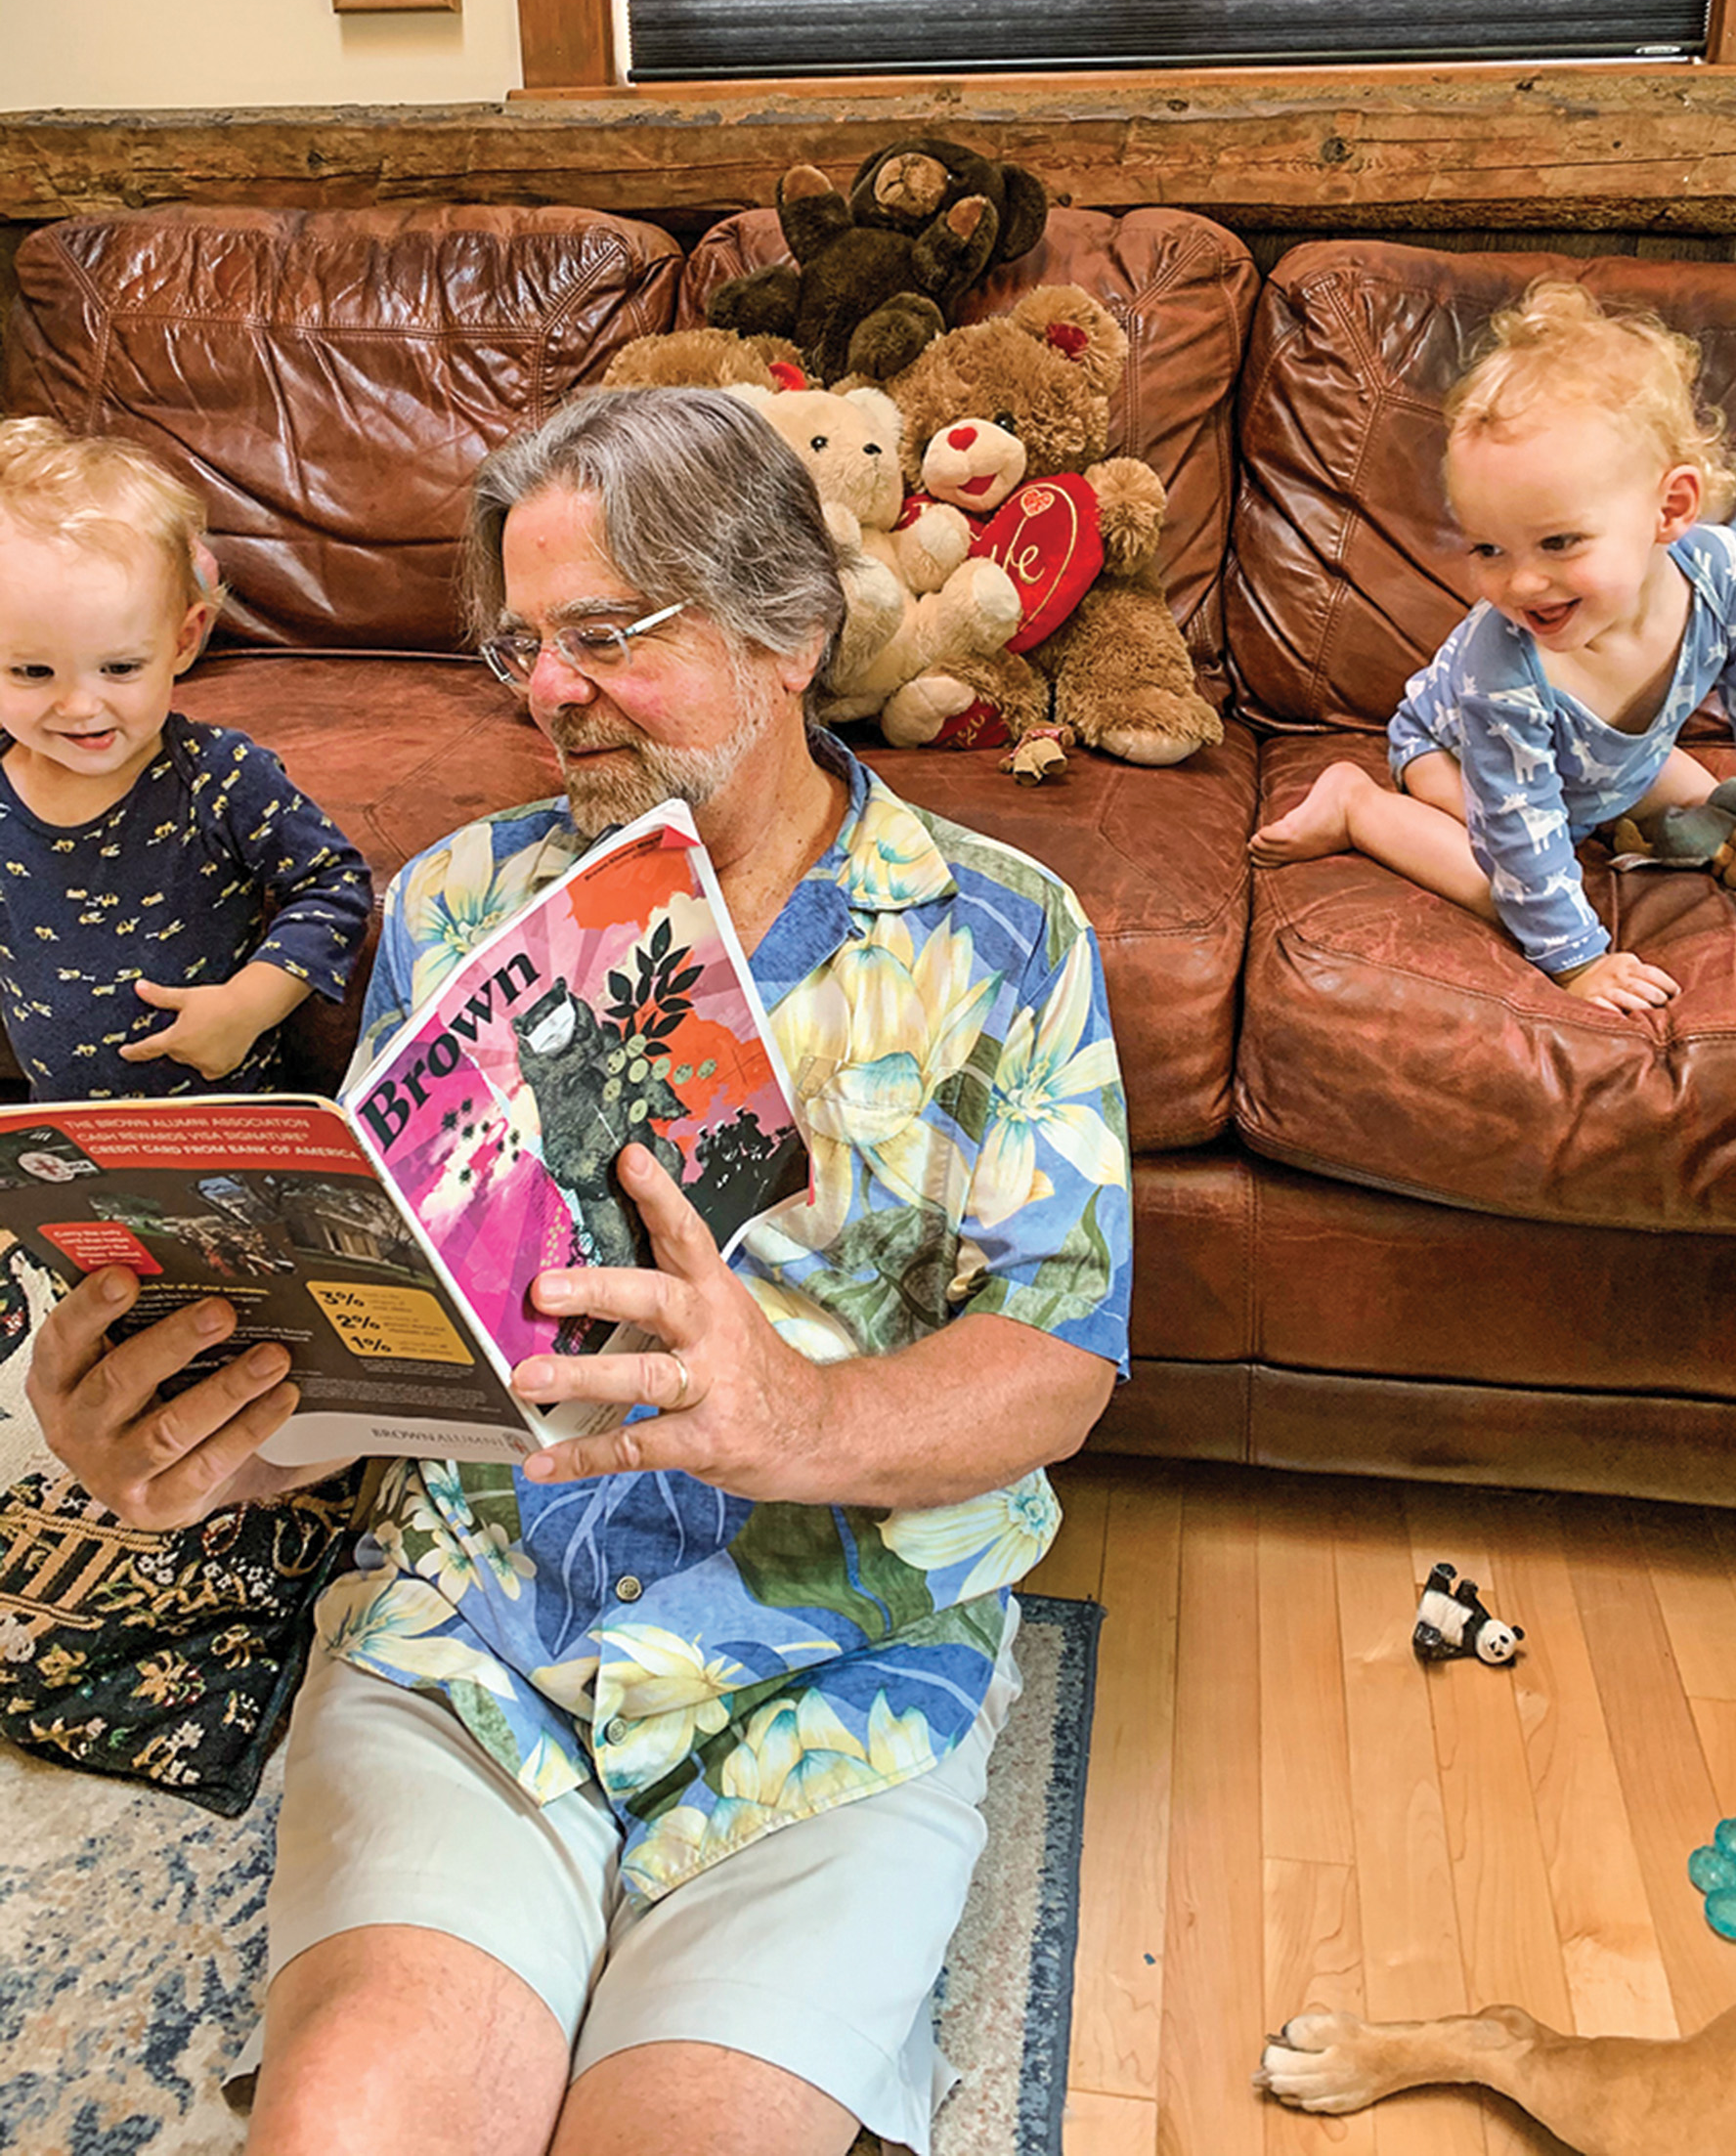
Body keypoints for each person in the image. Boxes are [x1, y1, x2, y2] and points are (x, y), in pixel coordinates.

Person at [27, 384, 1131, 2156]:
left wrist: (802, 1412)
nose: (548, 691)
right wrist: (202, 1438)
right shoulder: (461, 900)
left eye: (607, 633)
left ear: (788, 630)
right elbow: (398, 1343)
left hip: (835, 1670)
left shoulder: (1007, 932)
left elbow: (1059, 1361)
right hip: (480, 1636)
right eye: (523, 644)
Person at [1249, 280, 1736, 1016]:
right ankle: (1358, 805)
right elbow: (1522, 823)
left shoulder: (1721, 573)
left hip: (1610, 764)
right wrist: (1579, 962)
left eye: (1560, 541)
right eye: (1489, 547)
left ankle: (1641, 815)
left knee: (1711, 805)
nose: (1523, 582)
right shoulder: (1503, 665)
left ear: (1670, 508)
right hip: (1454, 752)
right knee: (1499, 880)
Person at [0, 418, 371, 1099]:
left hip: (230, 1132)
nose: (80, 706)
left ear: (182, 640)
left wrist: (249, 1004)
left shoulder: (221, 776)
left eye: (119, 666)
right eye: (30, 671)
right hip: (67, 1149)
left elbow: (335, 882)